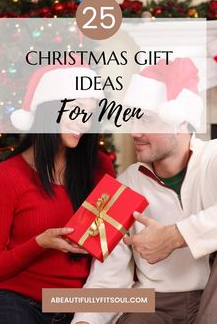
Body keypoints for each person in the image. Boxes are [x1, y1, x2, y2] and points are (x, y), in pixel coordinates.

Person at [72, 58, 217, 324]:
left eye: (146, 119)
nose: (134, 132)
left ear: (180, 122)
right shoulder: (120, 186)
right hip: (152, 305)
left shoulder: (214, 158)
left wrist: (176, 235)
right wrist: (85, 320)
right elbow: (107, 277)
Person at [0, 64, 115, 324]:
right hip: (18, 300)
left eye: (88, 114)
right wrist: (39, 243)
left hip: (80, 304)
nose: (83, 122)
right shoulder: (7, 176)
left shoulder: (99, 167)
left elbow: (109, 249)